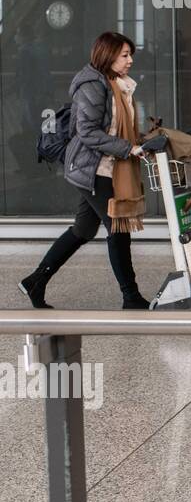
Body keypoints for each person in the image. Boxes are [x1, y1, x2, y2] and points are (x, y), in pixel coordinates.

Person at [19, 32, 152, 310]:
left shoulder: (116, 83)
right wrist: (127, 149)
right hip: (91, 167)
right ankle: (131, 297)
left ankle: (35, 281)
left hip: (105, 165)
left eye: (131, 55)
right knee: (118, 228)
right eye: (125, 55)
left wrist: (140, 140)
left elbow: (114, 128)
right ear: (108, 55)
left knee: (83, 229)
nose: (130, 61)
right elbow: (88, 132)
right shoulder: (93, 85)